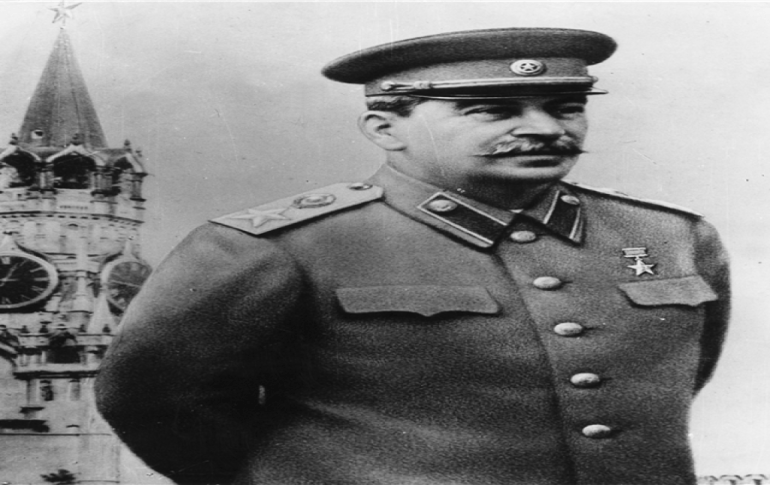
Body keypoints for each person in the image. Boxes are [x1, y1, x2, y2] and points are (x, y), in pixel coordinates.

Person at [95, 28, 730, 485]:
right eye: (492, 111)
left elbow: (668, 382)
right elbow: (152, 402)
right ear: (385, 128)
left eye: (567, 108)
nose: (544, 128)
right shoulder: (276, 247)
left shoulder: (672, 237)